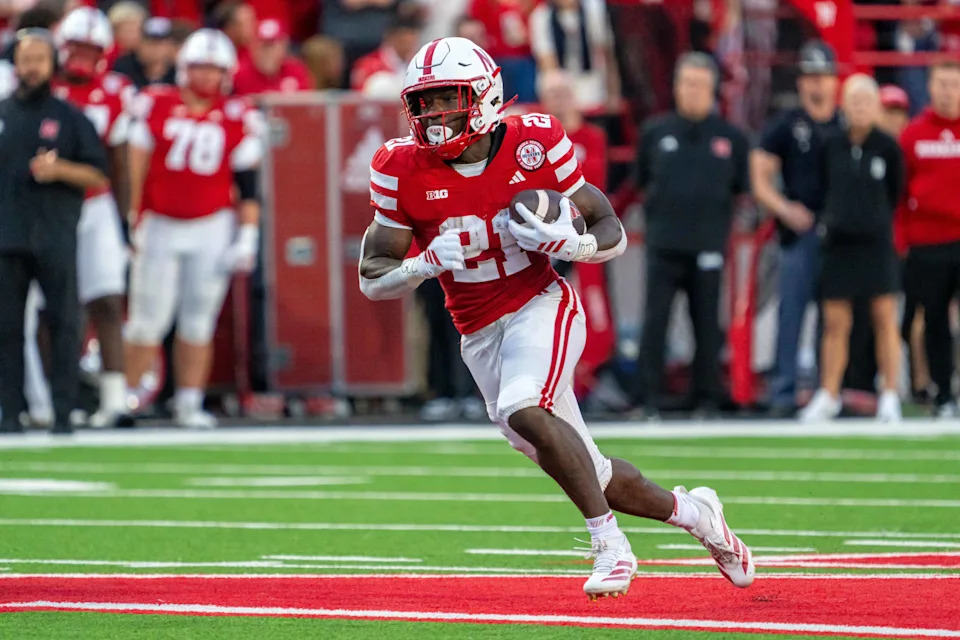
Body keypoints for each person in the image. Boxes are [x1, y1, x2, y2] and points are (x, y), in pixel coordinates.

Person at [359, 36, 754, 599]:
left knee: (525, 407)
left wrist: (574, 245)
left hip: (541, 306)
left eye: (447, 98)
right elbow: (372, 277)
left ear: (485, 94)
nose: (433, 116)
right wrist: (419, 265)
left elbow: (608, 224)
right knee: (590, 471)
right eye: (423, 102)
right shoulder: (400, 165)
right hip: (478, 334)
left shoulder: (533, 141)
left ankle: (610, 545)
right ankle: (698, 516)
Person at [123, 29, 264, 429]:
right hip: (160, 222)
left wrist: (248, 235)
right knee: (147, 319)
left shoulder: (240, 113)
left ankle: (189, 401)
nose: (206, 76)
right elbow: (136, 165)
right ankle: (125, 399)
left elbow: (248, 185)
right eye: (200, 67)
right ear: (184, 68)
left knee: (198, 319)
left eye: (213, 69)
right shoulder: (155, 102)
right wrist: (130, 218)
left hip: (213, 225)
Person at [0, 29, 108, 434]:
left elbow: (97, 172)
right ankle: (10, 411)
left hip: (54, 234)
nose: (31, 67)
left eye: (39, 59)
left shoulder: (70, 118)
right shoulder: (3, 113)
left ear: (52, 64)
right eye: (25, 58)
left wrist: (60, 169)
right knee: (7, 327)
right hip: (7, 235)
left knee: (64, 324)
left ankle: (64, 411)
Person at [635, 52, 749, 418]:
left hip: (709, 245)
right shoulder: (655, 132)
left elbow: (741, 188)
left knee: (706, 323)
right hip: (664, 244)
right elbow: (638, 183)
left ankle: (707, 397)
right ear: (675, 87)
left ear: (714, 89)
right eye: (687, 83)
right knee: (656, 321)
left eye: (701, 84)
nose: (694, 91)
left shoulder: (731, 137)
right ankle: (649, 397)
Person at [44, 7, 134, 427]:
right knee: (53, 307)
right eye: (74, 46)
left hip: (96, 204)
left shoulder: (116, 91)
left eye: (88, 48)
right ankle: (50, 397)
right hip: (50, 204)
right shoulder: (43, 87)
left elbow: (119, 161)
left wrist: (124, 218)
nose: (80, 56)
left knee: (108, 300)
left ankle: (114, 399)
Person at [800, 74, 905, 423]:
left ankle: (890, 393)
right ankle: (829, 393)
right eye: (854, 101)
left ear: (876, 108)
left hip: (876, 245)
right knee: (835, 322)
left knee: (884, 319)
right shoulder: (830, 144)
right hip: (839, 245)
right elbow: (819, 188)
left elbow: (894, 192)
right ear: (843, 105)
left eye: (867, 102)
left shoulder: (888, 147)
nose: (860, 109)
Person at [750, 40, 842, 417]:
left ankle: (829, 390)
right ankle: (783, 391)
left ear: (834, 81)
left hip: (838, 233)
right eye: (809, 77)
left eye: (821, 77)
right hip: (799, 232)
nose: (815, 85)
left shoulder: (845, 124)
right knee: (792, 312)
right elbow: (759, 174)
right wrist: (784, 209)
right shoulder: (787, 125)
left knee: (835, 316)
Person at [897, 59, 960, 417]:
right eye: (942, 84)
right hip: (927, 244)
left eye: (954, 84)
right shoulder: (913, 135)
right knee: (933, 321)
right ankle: (943, 394)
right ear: (931, 87)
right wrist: (903, 239)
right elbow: (900, 194)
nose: (949, 92)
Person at [528, 0, 619, 111]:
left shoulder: (594, 9)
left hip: (592, 82)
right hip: (561, 85)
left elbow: (607, 54)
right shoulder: (541, 16)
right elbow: (547, 64)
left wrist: (613, 92)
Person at [233, 19, 314, 96]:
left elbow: (306, 104)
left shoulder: (296, 70)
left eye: (271, 45)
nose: (268, 51)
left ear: (283, 46)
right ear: (253, 47)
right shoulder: (240, 75)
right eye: (263, 45)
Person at [350, 15, 421, 97]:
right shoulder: (367, 65)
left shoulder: (418, 65)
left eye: (411, 42)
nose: (408, 46)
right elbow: (358, 98)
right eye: (404, 41)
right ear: (391, 38)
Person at [112, 17, 177, 89]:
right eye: (150, 43)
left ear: (171, 47)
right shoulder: (124, 66)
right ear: (139, 43)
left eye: (160, 43)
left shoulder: (178, 70)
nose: (155, 49)